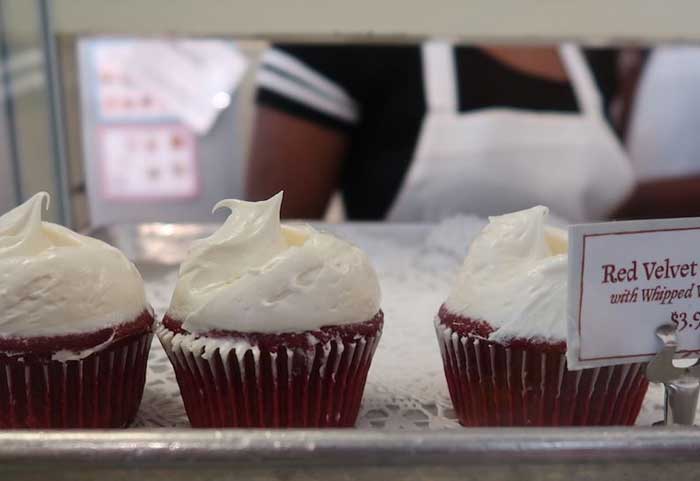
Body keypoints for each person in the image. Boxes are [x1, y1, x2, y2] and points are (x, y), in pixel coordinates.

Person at [246, 43, 635, 222]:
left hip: (579, 370)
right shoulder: (346, 31)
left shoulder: (593, 39)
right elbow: (265, 241)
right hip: (404, 364)